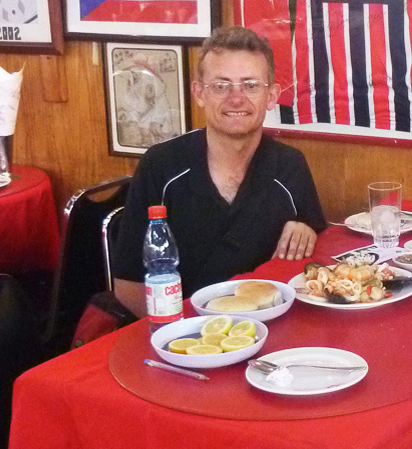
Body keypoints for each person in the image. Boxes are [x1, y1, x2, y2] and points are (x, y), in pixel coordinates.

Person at [112, 26, 326, 317]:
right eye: (221, 85)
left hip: (271, 333)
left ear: (272, 96)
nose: (236, 99)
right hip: (181, 336)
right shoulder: (161, 166)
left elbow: (317, 268)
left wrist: (307, 228)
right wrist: (193, 337)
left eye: (251, 85)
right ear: (199, 93)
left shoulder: (290, 166)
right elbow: (128, 285)